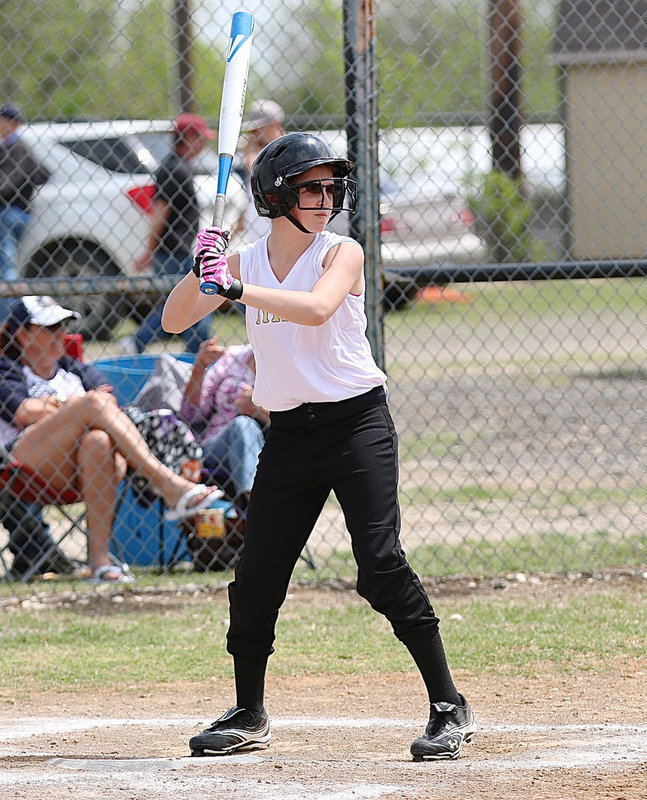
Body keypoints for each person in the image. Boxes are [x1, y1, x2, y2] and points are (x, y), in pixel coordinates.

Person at [162, 133, 477, 761]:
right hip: (289, 434)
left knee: (380, 568)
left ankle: (449, 706)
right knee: (256, 578)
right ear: (276, 196)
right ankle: (249, 711)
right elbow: (174, 319)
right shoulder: (246, 260)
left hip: (356, 425)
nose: (327, 198)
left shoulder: (343, 253)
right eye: (312, 187)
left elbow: (314, 309)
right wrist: (204, 270)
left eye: (333, 188)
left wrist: (233, 290)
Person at [0, 295, 221, 583]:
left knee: (98, 441)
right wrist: (77, 407)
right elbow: (24, 412)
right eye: (49, 327)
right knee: (91, 405)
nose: (59, 335)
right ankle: (168, 483)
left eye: (62, 326)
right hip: (25, 466)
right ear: (23, 335)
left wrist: (62, 407)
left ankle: (100, 564)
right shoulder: (7, 369)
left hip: (81, 468)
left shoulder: (73, 368)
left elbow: (110, 405)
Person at [131, 113, 216, 354]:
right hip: (174, 250)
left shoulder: (179, 167)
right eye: (201, 138)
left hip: (179, 249)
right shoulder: (173, 169)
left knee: (189, 302)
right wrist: (150, 249)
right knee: (185, 301)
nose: (204, 144)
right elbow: (160, 211)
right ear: (189, 137)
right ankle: (140, 341)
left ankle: (195, 350)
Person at [180, 337, 268, 509]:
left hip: (271, 445)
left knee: (245, 424)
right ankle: (255, 506)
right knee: (242, 425)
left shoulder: (290, 363)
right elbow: (190, 415)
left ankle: (254, 510)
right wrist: (200, 368)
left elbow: (301, 424)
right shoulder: (235, 357)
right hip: (218, 445)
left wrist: (259, 411)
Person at [0, 103, 49, 318]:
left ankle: (11, 316)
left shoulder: (17, 147)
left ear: (11, 123)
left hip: (10, 211)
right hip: (15, 210)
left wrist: (15, 191)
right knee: (7, 264)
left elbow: (10, 181)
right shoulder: (14, 147)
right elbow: (40, 173)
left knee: (6, 266)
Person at [231, 100, 285, 245]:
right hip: (257, 243)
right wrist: (231, 236)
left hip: (278, 242)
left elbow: (259, 174)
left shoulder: (285, 151)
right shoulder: (260, 153)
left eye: (257, 129)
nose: (253, 135)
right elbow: (252, 203)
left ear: (274, 124)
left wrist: (249, 152)